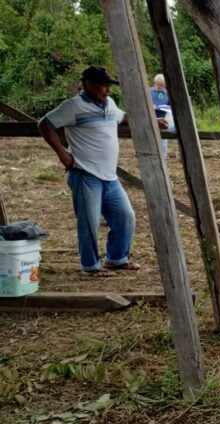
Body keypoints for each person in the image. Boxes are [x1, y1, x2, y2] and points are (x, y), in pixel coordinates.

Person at [38, 66, 159, 277]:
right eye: (103, 86)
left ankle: (116, 259)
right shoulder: (73, 106)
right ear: (88, 85)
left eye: (108, 86)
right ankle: (91, 266)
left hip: (110, 177)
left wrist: (153, 121)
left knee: (125, 217)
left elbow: (123, 118)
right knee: (89, 223)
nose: (107, 91)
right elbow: (45, 125)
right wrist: (62, 153)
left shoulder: (109, 104)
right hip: (85, 174)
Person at [149, 74, 174, 158]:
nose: (160, 87)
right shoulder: (148, 91)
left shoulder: (168, 93)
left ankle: (163, 159)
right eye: (158, 85)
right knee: (151, 141)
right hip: (150, 120)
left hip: (163, 121)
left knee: (163, 142)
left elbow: (172, 106)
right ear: (155, 83)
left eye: (162, 85)